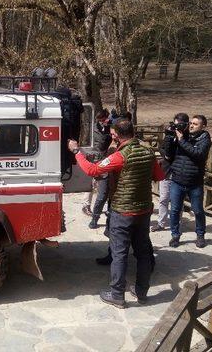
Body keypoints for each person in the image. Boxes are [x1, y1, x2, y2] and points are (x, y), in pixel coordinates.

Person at [68, 119, 165, 308]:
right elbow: (159, 176)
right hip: (144, 211)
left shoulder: (120, 156)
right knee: (143, 253)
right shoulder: (148, 152)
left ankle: (117, 294)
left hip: (123, 212)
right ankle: (141, 291)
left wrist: (76, 151)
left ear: (115, 135)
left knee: (119, 253)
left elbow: (92, 169)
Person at [162, 114, 212, 248]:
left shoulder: (205, 139)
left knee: (197, 210)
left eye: (195, 124)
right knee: (175, 210)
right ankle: (175, 235)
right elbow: (168, 154)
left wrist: (181, 140)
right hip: (177, 180)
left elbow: (198, 155)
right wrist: (169, 136)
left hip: (195, 183)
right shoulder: (183, 135)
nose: (191, 125)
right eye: (191, 123)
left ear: (203, 126)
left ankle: (200, 235)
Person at [152, 114, 189, 232]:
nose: (177, 127)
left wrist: (181, 138)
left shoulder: (188, 138)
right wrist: (166, 154)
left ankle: (177, 223)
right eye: (176, 124)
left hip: (180, 173)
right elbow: (162, 149)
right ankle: (161, 223)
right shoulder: (169, 135)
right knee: (163, 198)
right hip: (167, 171)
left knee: (178, 201)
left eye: (180, 124)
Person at [87, 109, 113, 228]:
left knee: (114, 196)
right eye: (100, 121)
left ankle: (111, 219)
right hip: (102, 164)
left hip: (116, 164)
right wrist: (106, 133)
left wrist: (110, 129)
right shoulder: (95, 128)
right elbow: (100, 147)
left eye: (104, 120)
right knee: (102, 195)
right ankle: (95, 218)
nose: (102, 122)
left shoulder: (115, 126)